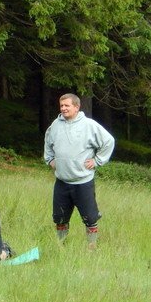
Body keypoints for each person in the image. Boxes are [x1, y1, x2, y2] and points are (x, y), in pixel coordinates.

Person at [44, 93, 115, 249]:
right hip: (62, 182)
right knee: (60, 218)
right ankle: (60, 246)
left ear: (76, 107)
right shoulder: (55, 125)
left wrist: (97, 160)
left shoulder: (89, 125)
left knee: (90, 218)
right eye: (61, 105)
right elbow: (48, 142)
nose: (63, 108)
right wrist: (49, 159)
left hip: (83, 182)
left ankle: (92, 247)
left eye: (67, 105)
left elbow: (109, 141)